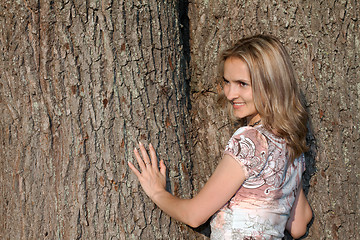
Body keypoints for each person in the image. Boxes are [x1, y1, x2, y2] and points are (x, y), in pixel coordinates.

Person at [128, 34, 313, 239]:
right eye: (227, 82)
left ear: (271, 84)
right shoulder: (289, 146)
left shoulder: (250, 141)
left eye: (242, 84)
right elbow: (299, 224)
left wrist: (157, 192)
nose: (230, 93)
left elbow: (194, 215)